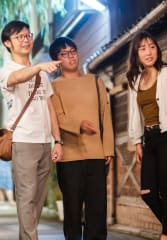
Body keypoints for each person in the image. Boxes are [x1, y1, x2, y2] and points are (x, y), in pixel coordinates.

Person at [0, 20, 63, 240]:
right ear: (8, 43)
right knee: (27, 198)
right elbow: (17, 78)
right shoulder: (6, 71)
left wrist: (58, 140)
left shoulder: (42, 75)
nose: (26, 39)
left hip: (45, 142)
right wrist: (37, 66)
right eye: (19, 37)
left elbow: (50, 107)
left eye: (28, 35)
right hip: (23, 140)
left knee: (37, 200)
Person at [49, 37, 114, 240]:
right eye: (64, 53)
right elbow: (57, 117)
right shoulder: (54, 87)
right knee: (72, 212)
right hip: (69, 157)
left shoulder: (95, 82)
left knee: (97, 210)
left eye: (73, 51)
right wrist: (79, 125)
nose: (71, 56)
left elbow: (105, 116)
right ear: (57, 60)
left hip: (96, 154)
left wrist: (108, 149)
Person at [127, 31, 167, 240]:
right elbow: (135, 114)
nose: (148, 52)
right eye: (142, 48)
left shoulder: (166, 73)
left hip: (166, 135)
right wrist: (137, 142)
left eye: (152, 46)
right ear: (136, 54)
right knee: (148, 192)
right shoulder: (135, 80)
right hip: (149, 139)